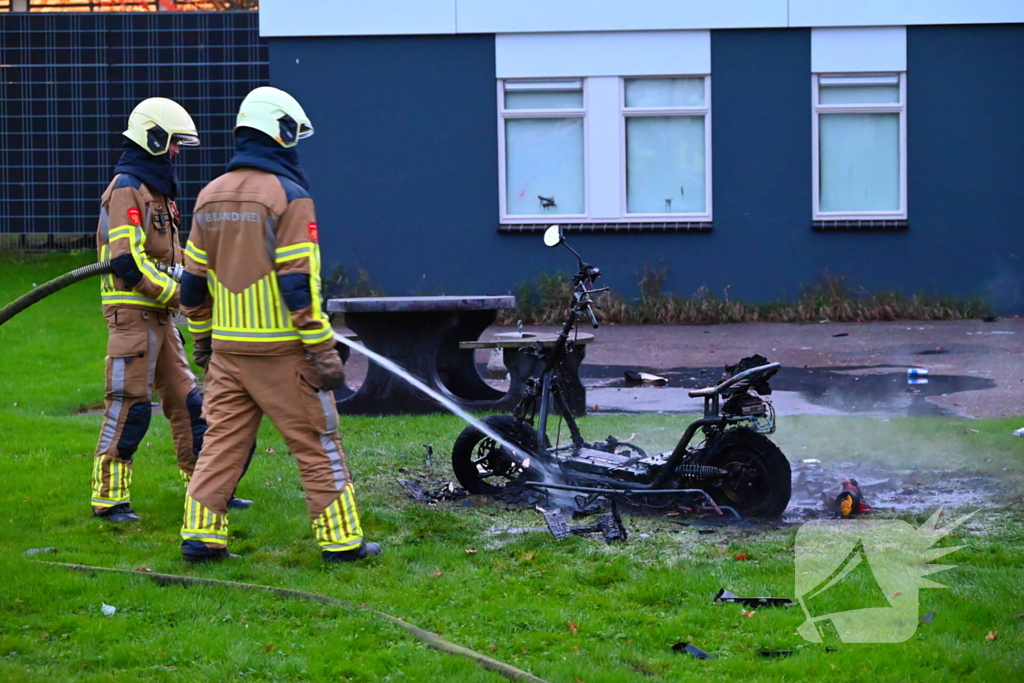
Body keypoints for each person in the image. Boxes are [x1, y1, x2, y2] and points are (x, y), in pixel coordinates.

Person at [178, 86, 380, 564]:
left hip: (229, 353)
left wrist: (204, 341)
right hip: (284, 355)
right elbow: (297, 286)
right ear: (281, 132)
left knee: (219, 447)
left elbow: (192, 287)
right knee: (318, 444)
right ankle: (341, 542)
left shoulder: (209, 196)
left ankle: (201, 537)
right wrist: (322, 349)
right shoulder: (289, 197)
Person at [91, 98, 252, 523]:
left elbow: (170, 258)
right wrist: (180, 296)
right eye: (173, 142)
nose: (177, 151)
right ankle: (109, 500)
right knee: (130, 407)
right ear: (153, 137)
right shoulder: (127, 187)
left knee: (188, 404)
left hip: (158, 318)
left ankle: (206, 490)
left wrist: (199, 280)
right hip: (132, 317)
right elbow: (127, 261)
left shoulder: (155, 190)